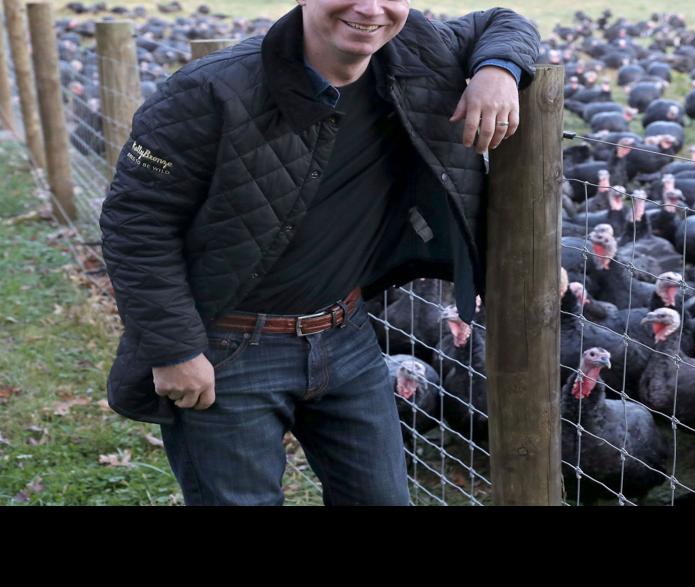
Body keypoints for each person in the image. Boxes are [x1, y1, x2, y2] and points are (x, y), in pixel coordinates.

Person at [101, 0, 539, 504]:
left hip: (346, 332)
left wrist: (498, 71)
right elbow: (135, 222)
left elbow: (503, 20)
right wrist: (174, 349)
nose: (370, 9)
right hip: (229, 346)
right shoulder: (208, 90)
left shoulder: (417, 50)